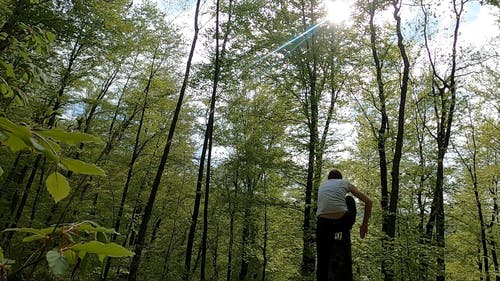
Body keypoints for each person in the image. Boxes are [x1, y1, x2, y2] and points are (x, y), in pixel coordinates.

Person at [316, 169, 372, 281]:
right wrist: (364, 225)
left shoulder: (322, 185)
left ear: (329, 179)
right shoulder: (344, 183)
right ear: (340, 178)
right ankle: (345, 229)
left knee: (322, 261)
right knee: (349, 199)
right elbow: (368, 202)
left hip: (323, 224)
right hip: (341, 223)